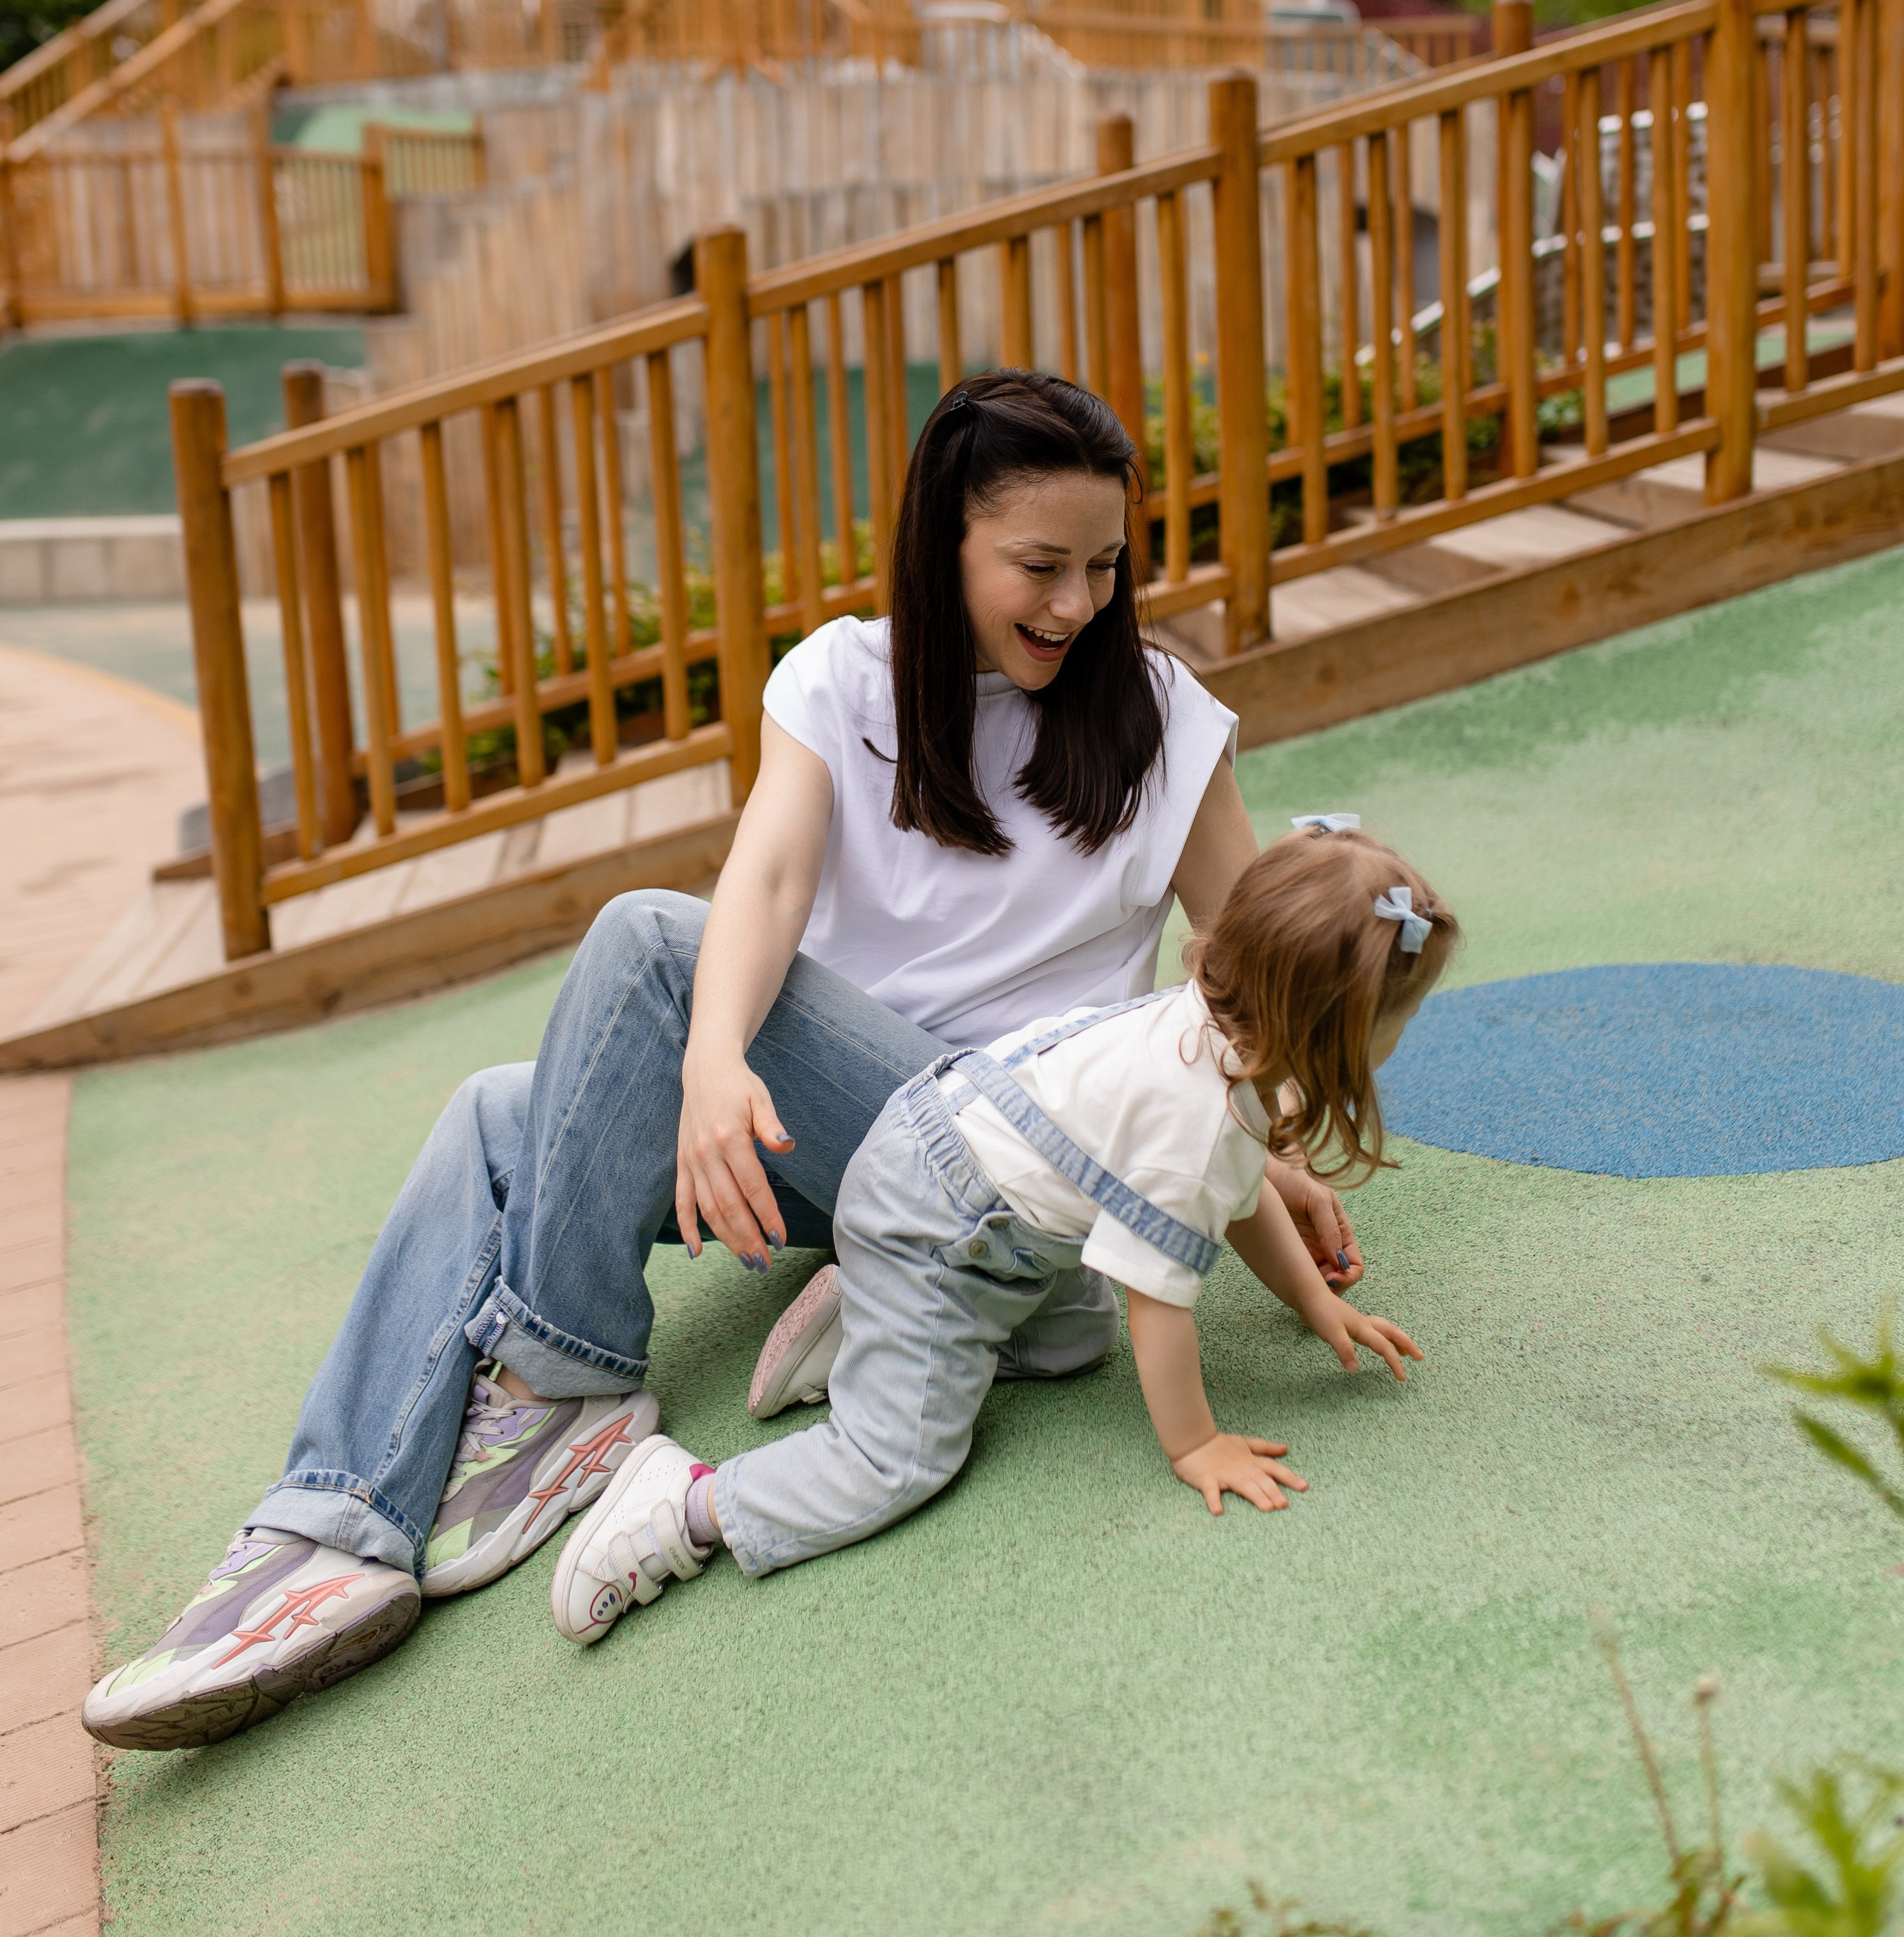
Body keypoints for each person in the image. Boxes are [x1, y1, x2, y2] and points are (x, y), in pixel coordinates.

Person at [84, 370, 1368, 1752]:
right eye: (1040, 567)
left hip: (1012, 1155)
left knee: (631, 965)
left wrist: (1269, 1159)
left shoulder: (1164, 719)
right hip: (842, 1134)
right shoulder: (840, 680)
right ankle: (330, 1534)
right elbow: (759, 887)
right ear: (945, 546)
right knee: (497, 1112)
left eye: (1105, 568)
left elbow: (1256, 974)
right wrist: (713, 1069)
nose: (1077, 606)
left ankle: (566, 1382)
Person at [548, 822, 1453, 1637]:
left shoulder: (1218, 1033)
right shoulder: (1197, 1122)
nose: (1401, 1037)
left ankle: (870, 1324)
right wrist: (1194, 1442)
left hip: (952, 1168)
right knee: (900, 1460)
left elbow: (1241, 1192)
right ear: (1327, 1028)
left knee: (1078, 1333)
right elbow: (1162, 1306)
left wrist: (1312, 1303)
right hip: (939, 1224)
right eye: (1396, 1020)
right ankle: (689, 1503)